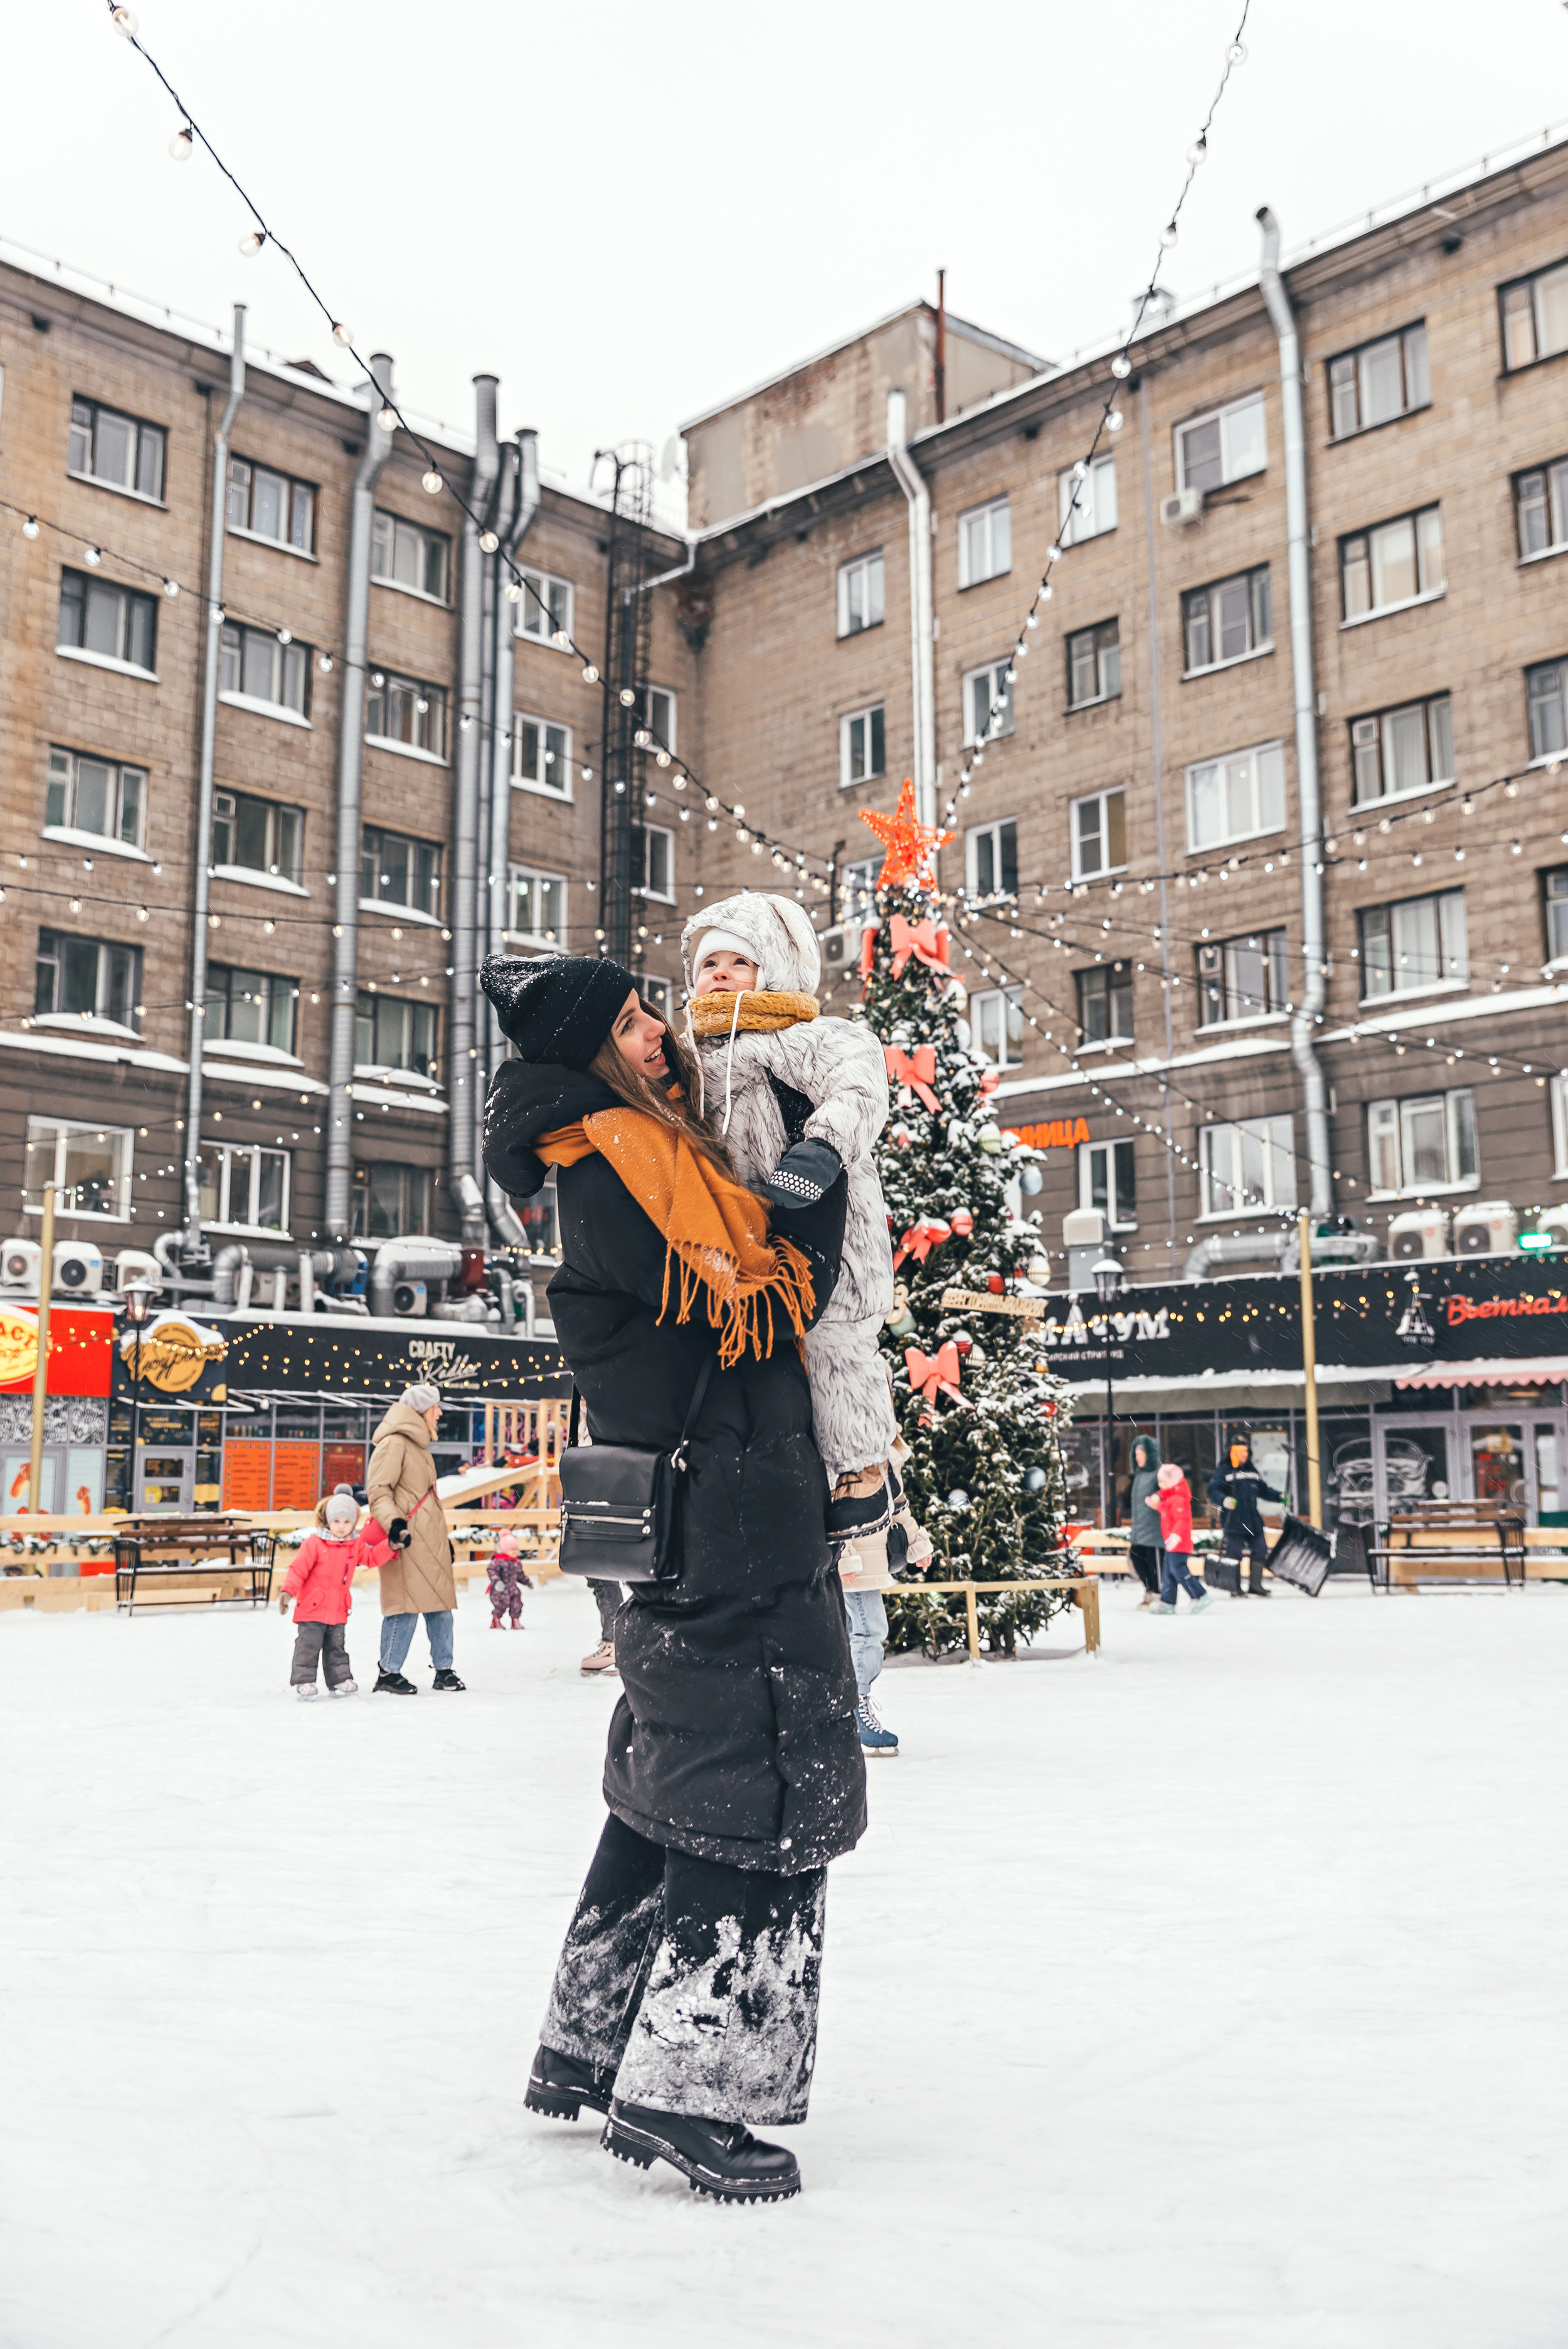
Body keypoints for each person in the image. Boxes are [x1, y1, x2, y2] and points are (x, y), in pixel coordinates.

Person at [480, 947, 864, 2204]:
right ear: (592, 1056)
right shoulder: (614, 1172)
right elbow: (760, 1292)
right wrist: (816, 1184)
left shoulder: (631, 1159)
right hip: (729, 1510)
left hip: (705, 1505)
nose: (662, 1041)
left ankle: (590, 2044)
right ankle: (683, 2093)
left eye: (656, 1018)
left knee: (668, 1775)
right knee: (749, 1785)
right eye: (637, 1027)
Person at [677, 893, 924, 1566]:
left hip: (828, 1225)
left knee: (838, 1343)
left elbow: (858, 1086)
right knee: (768, 1367)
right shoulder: (691, 1057)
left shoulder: (809, 1037)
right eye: (709, 964)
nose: (720, 974)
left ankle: (865, 1473)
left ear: (777, 969)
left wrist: (822, 1145)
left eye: (739, 961)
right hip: (744, 1241)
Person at [366, 1382, 466, 1693]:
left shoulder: (418, 1446)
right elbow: (379, 1490)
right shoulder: (395, 1443)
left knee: (440, 1607)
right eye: (436, 1407)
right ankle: (388, 1673)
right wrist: (395, 1525)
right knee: (404, 1606)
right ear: (422, 1410)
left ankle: (445, 1670)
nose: (440, 1413)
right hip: (407, 1539)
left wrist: (441, 1539)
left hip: (428, 1541)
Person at [280, 1485, 391, 1698]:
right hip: (312, 1608)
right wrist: (287, 1592)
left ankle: (339, 1680)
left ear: (353, 1523)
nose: (341, 1527)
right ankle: (304, 1681)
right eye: (337, 1522)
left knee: (337, 1647)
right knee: (308, 1646)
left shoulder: (354, 1545)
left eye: (347, 1522)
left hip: (338, 1609)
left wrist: (392, 1545)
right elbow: (298, 1569)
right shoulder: (314, 1543)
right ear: (328, 1521)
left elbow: (372, 1557)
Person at [1207, 1429, 1283, 1598]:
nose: (1244, 1454)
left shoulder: (1252, 1470)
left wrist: (1279, 1497)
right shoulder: (1224, 1470)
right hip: (1234, 1521)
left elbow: (1263, 1490)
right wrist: (1224, 1500)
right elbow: (1212, 1491)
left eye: (1246, 1451)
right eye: (1239, 1451)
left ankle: (1256, 1585)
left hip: (1253, 1520)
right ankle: (1235, 1587)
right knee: (1234, 1554)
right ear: (1232, 1452)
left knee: (1261, 1549)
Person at [1153, 1462, 1214, 1615]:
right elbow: (1166, 1511)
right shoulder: (1170, 1498)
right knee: (1168, 1572)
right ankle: (1167, 1601)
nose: (1159, 1485)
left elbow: (1182, 1520)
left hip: (1179, 1544)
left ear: (1171, 1482)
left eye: (1162, 1482)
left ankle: (1200, 1595)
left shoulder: (1178, 1499)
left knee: (1178, 1570)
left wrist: (1175, 1537)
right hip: (1171, 1543)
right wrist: (1155, 1504)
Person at [1126, 1433, 1164, 1608]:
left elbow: (1170, 1491)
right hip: (1140, 1528)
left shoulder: (1159, 1473)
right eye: (1136, 1454)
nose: (1137, 1457)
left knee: (1154, 1562)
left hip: (1156, 1531)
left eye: (1141, 1454)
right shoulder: (1139, 1475)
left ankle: (1157, 1593)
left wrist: (1159, 1495)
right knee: (1136, 1558)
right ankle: (1150, 1590)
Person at [486, 1530, 529, 1632]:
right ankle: (496, 1620)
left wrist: (527, 1581)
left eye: (516, 1549)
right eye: (511, 1550)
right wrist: (497, 1581)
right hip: (500, 1589)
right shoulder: (498, 1562)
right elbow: (492, 1571)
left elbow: (520, 1575)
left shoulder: (516, 1563)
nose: (515, 1552)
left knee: (517, 1602)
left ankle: (516, 1620)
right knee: (501, 1605)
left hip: (513, 1588)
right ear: (504, 1550)